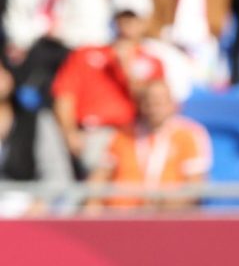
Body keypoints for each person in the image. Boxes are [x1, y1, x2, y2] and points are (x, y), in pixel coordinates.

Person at [1, 0, 111, 183]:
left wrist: (52, 31)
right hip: (30, 68)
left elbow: (93, 32)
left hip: (70, 66)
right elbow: (16, 28)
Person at [50, 0, 165, 178]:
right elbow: (64, 96)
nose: (128, 23)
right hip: (87, 133)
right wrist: (70, 132)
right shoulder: (85, 54)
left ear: (145, 21)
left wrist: (127, 71)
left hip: (130, 136)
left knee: (114, 154)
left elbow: (154, 108)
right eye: (123, 16)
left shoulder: (153, 62)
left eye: (133, 17)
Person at [86, 77, 211, 210]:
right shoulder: (122, 135)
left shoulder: (189, 134)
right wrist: (92, 205)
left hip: (167, 215)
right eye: (149, 102)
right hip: (121, 214)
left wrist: (162, 206)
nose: (154, 108)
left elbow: (195, 187)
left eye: (160, 102)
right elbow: (100, 176)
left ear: (173, 104)